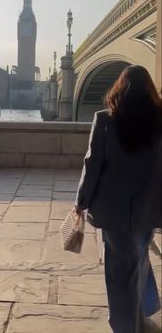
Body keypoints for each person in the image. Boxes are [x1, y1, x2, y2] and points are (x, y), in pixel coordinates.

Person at [74, 65, 161, 333]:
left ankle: (125, 326)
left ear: (119, 88)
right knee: (138, 260)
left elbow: (93, 165)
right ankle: (141, 313)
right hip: (148, 209)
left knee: (118, 272)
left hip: (114, 211)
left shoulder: (105, 120)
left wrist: (81, 201)